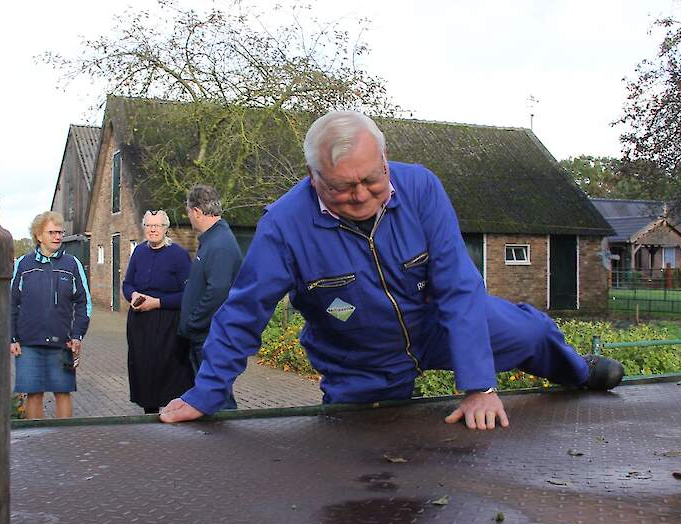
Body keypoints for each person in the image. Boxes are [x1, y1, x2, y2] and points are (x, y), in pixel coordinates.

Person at [161, 111, 624, 429]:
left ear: (385, 161)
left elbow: (459, 287)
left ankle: (579, 372)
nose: (361, 195)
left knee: (529, 334)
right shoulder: (283, 224)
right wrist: (206, 393)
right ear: (313, 179)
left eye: (372, 179)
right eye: (343, 187)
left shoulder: (421, 187)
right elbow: (245, 312)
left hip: (435, 322)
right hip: (359, 352)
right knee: (364, 440)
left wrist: (480, 387)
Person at [10, 211, 91, 419]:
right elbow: (10, 303)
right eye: (52, 232)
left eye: (60, 232)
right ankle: (36, 444)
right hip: (28, 343)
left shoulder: (72, 265)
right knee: (34, 394)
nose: (57, 237)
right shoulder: (23, 265)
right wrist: (12, 337)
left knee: (63, 393)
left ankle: (64, 442)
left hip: (62, 343)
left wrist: (77, 336)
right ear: (39, 235)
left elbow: (84, 303)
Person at [178, 185, 244, 410]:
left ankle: (226, 445)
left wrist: (193, 322)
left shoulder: (220, 245)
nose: (189, 217)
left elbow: (218, 292)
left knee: (218, 399)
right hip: (204, 335)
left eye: (189, 212)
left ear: (197, 211)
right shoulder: (213, 241)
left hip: (209, 336)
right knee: (209, 396)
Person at [123, 210, 194, 414]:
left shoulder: (179, 255)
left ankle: (173, 415)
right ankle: (150, 415)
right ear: (144, 228)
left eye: (158, 225)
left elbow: (188, 294)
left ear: (166, 229)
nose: (153, 229)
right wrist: (133, 294)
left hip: (168, 323)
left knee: (170, 372)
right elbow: (127, 283)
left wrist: (158, 303)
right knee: (144, 370)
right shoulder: (139, 252)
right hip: (140, 324)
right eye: (149, 225)